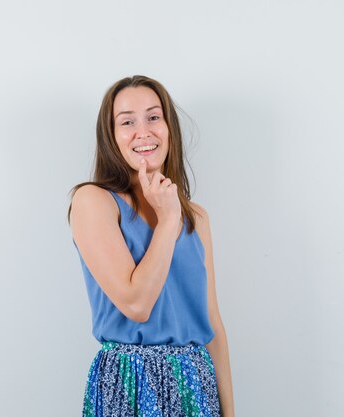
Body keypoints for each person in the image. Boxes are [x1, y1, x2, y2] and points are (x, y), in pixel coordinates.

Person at [67, 75, 235, 417]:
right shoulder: (94, 202)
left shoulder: (196, 218)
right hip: (128, 382)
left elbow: (213, 325)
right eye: (127, 121)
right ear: (112, 137)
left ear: (169, 128)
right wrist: (168, 217)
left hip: (194, 384)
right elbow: (136, 303)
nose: (143, 131)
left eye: (153, 117)